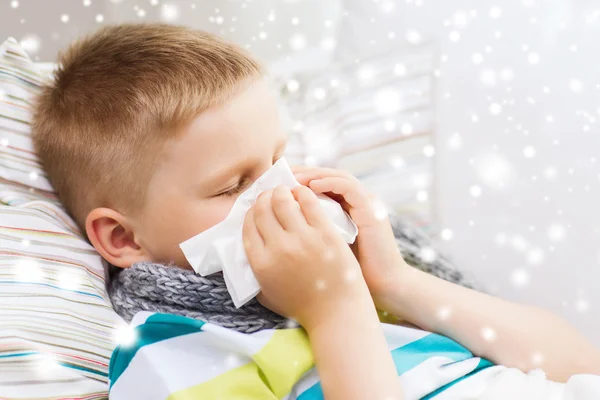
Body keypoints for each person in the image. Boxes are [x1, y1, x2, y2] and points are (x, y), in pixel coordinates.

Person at [32, 23, 600, 399]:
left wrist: (392, 280)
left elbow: (580, 365)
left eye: (280, 159)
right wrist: (332, 311)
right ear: (123, 238)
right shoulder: (171, 354)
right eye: (233, 186)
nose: (279, 192)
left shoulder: (357, 279)